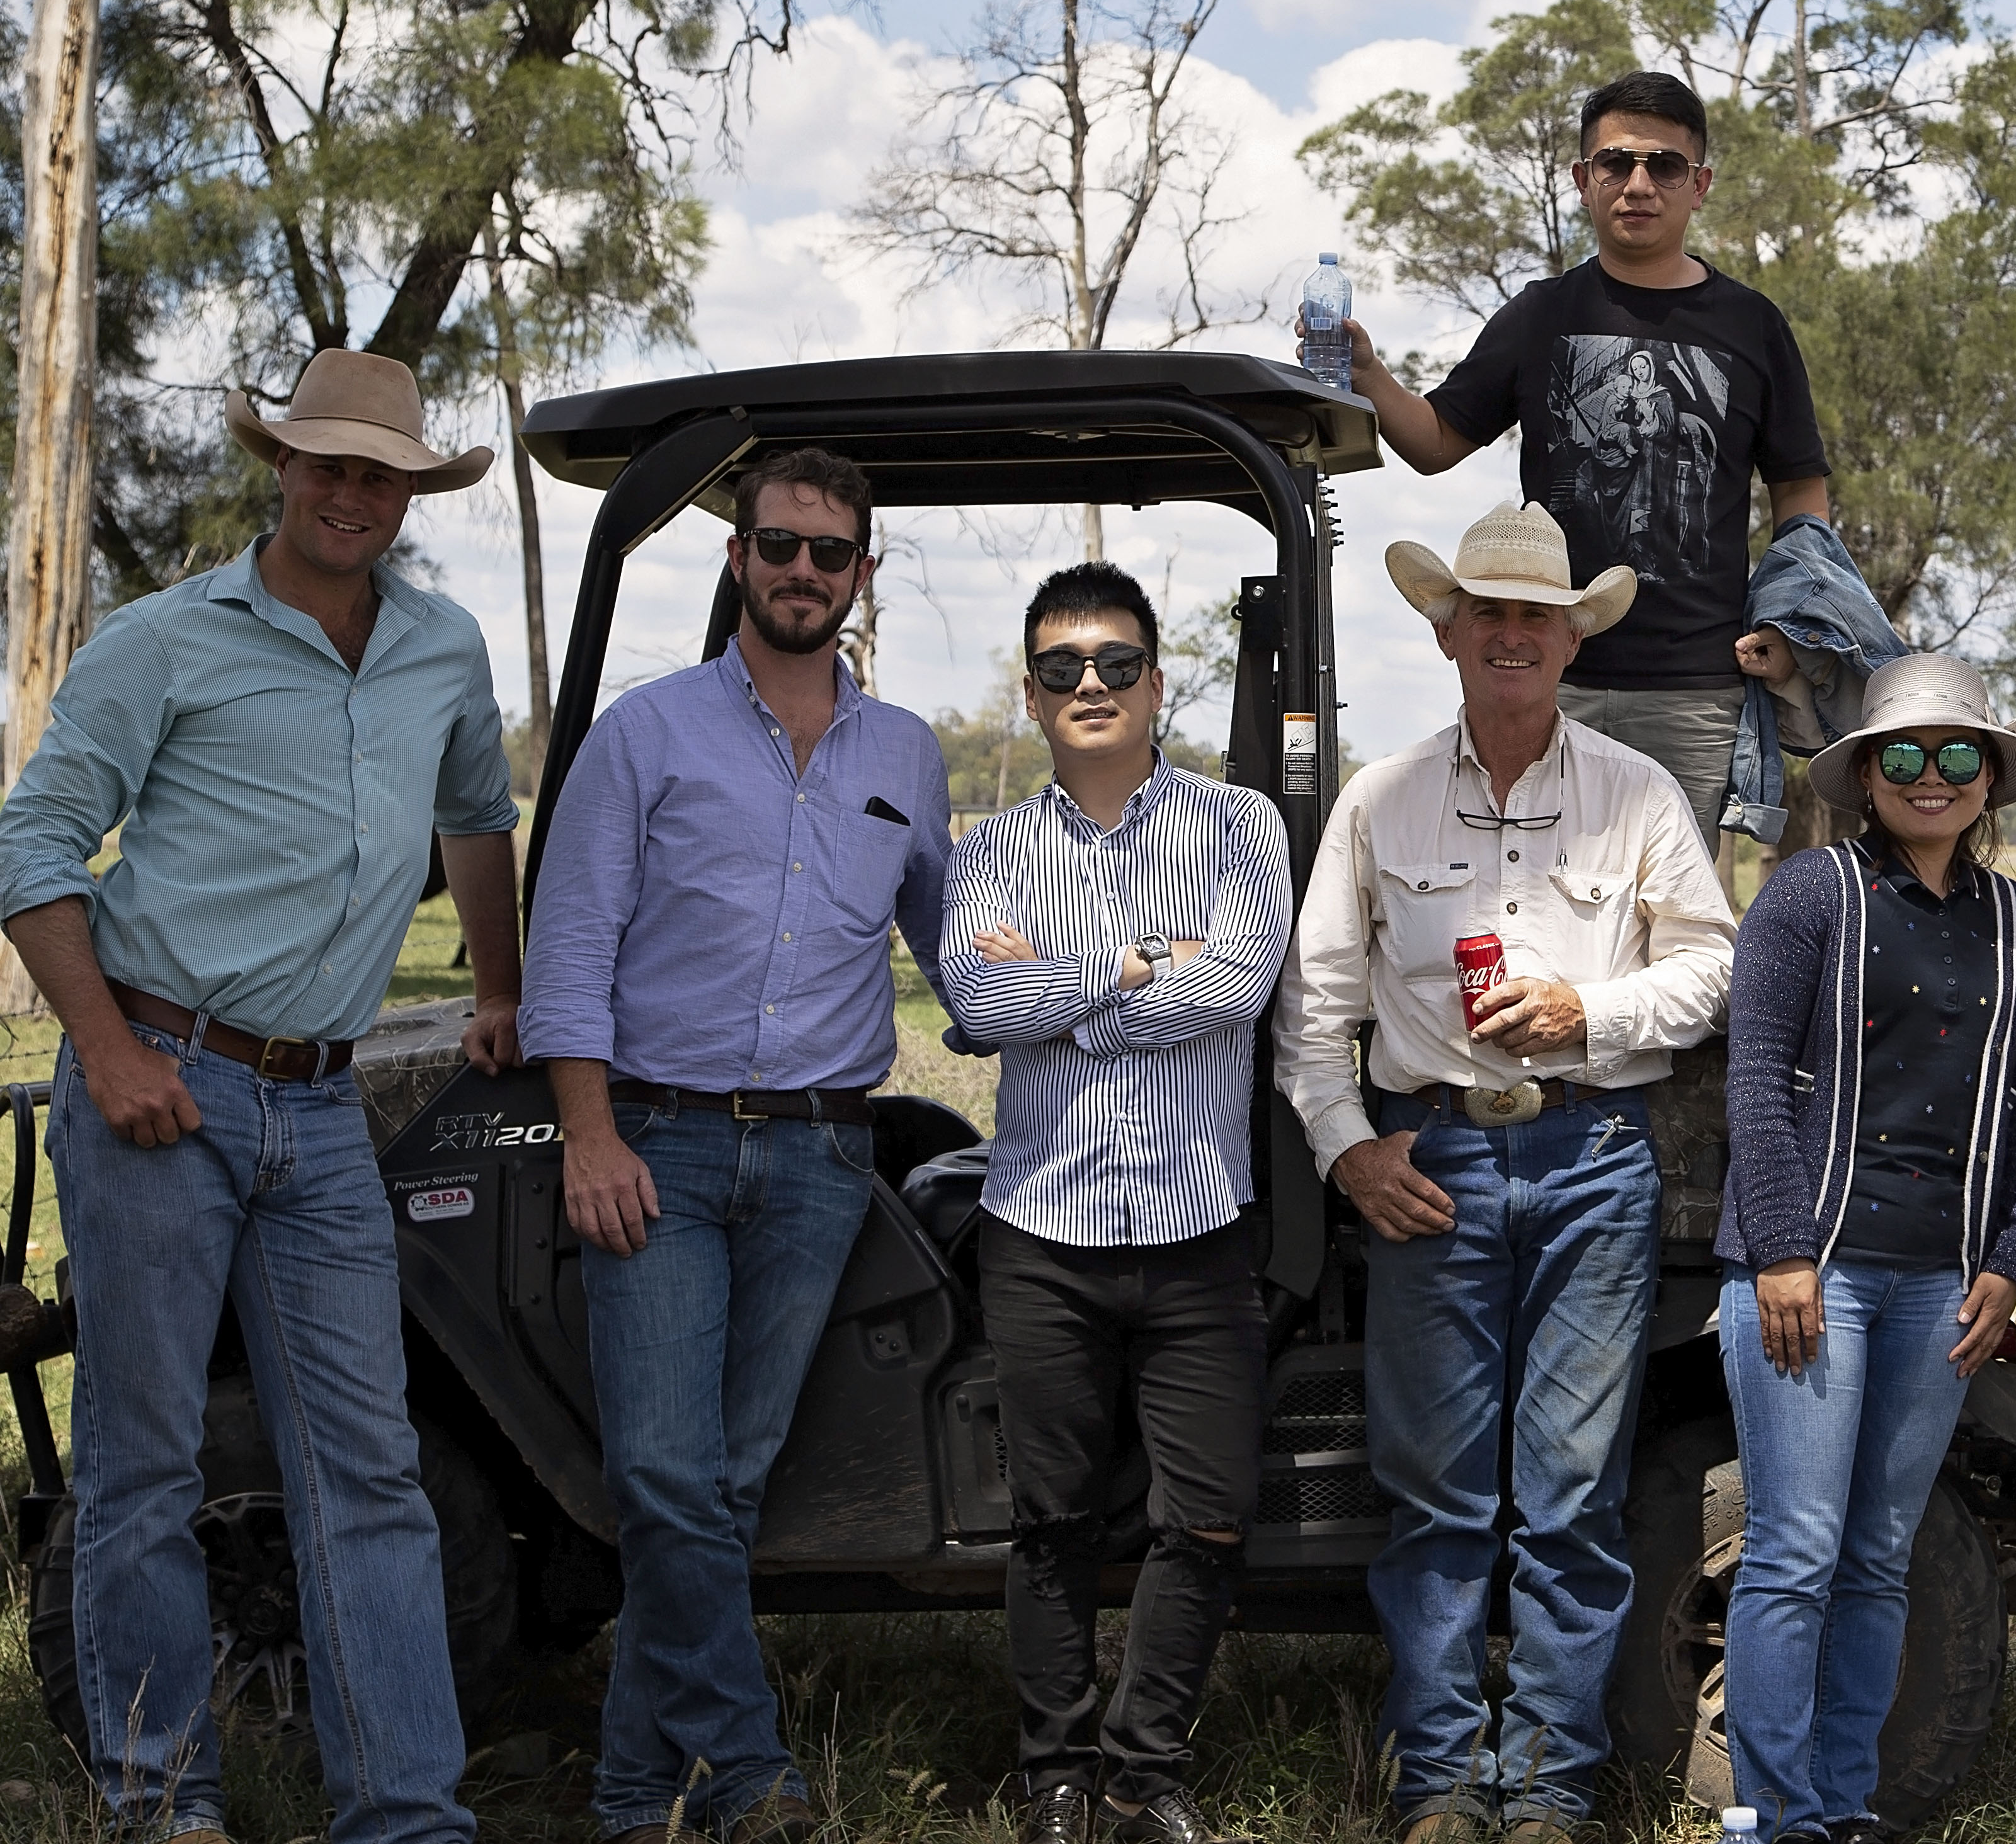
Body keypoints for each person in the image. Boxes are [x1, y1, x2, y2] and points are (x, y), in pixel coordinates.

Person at [0, 348, 517, 1844]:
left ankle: (406, 1809)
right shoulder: (164, 641)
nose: (354, 492)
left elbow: (478, 814)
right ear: (280, 469)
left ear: (412, 491)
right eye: (330, 464)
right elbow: (34, 843)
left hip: (324, 1113)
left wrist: (498, 990)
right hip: (162, 1085)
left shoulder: (443, 648)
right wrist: (107, 1051)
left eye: (383, 472)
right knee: (145, 1467)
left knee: (370, 1469)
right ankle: (166, 1800)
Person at [1272, 501, 1736, 1844]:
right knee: (1435, 1495)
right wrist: (1347, 1149)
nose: (1514, 634)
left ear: (1570, 634)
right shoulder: (1382, 796)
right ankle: (1433, 1784)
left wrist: (1585, 1017)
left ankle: (1540, 1786)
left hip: (1593, 1154)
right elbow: (1314, 1011)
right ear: (1447, 629)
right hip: (1435, 1163)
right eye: (1491, 611)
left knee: (1572, 1492)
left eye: (1538, 613)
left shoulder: (1633, 793)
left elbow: (1707, 969)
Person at [520, 445, 952, 1844]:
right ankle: (759, 1779)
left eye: (830, 554)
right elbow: (569, 948)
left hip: (823, 1160)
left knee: (722, 1488)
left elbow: (963, 957)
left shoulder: (906, 757)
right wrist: (588, 1134)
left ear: (861, 576)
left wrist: (1121, 980)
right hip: (656, 1146)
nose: (803, 573)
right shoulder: (645, 733)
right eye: (780, 547)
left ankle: (637, 1795)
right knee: (660, 1474)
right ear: (736, 558)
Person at [939, 563, 1293, 1844]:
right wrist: (1144, 959)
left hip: (1200, 1232)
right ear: (1030, 694)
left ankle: (1144, 1772)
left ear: (1157, 680)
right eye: (1059, 667)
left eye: (1113, 662)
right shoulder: (992, 850)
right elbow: (976, 1010)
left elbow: (1241, 985)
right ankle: (1053, 1773)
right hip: (1044, 1235)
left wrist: (1069, 990)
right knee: (1050, 1521)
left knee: (1200, 1514)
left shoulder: (1241, 824)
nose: (1087, 684)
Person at [1716, 654, 2016, 1844]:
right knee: (1796, 1546)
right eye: (1903, 754)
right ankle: (1772, 1813)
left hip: (1944, 1284)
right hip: (1815, 1269)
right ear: (1865, 774)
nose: (1931, 775)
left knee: (1874, 1552)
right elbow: (1754, 1077)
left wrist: (2011, 1260)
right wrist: (1778, 1246)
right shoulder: (1810, 894)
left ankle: (1845, 1800)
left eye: (1957, 754)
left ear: (1988, 779)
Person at [1316, 70, 1833, 841]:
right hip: (1544, 666)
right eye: (1614, 164)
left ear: (1700, 185)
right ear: (1581, 181)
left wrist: (1790, 621)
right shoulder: (1540, 314)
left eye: (1663, 166)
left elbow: (1800, 486)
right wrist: (1368, 374)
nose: (1637, 184)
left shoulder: (1753, 324)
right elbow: (1435, 441)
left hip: (1695, 684)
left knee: (1664, 909)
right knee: (1525, 886)